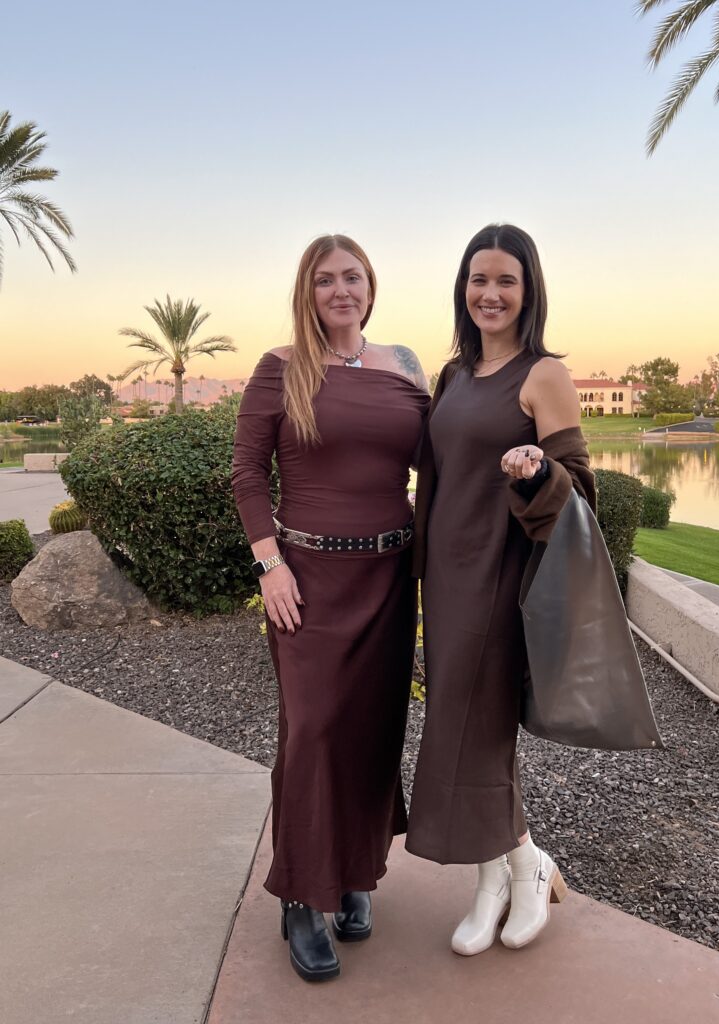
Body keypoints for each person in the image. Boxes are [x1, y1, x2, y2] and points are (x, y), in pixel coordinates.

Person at [231, 234, 428, 982]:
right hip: (306, 579)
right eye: (325, 280)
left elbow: (440, 460)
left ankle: (352, 873)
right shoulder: (280, 369)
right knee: (311, 732)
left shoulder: (404, 366)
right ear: (307, 292)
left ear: (370, 287)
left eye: (352, 277)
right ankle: (299, 900)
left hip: (388, 577)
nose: (340, 290)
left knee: (370, 732)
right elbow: (248, 473)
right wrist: (270, 564)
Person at [406, 223, 596, 955]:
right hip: (445, 578)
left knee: (475, 729)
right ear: (463, 287)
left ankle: (504, 879)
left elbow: (579, 490)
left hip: (500, 575)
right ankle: (517, 868)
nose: (490, 293)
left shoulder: (542, 373)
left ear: (527, 290)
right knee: (461, 723)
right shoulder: (450, 378)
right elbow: (435, 475)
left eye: (505, 281)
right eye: (478, 279)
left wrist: (536, 469)